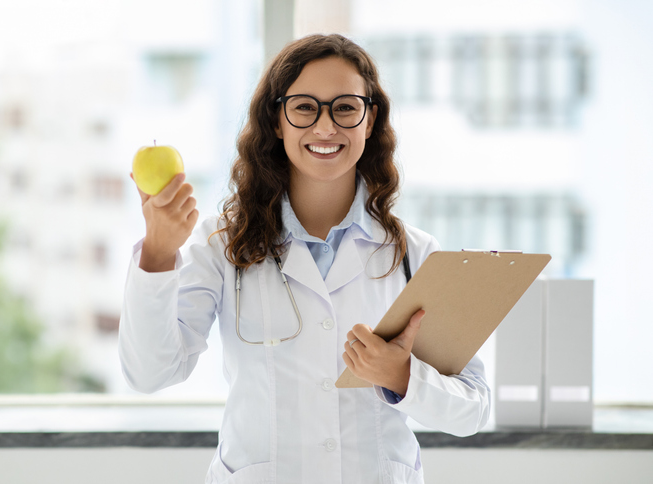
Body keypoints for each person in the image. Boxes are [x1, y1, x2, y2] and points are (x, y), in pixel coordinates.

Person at [119, 33, 490, 484]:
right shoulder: (221, 246)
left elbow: (472, 408)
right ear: (278, 121)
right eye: (304, 107)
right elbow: (151, 373)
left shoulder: (415, 254)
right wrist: (158, 253)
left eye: (346, 107)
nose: (326, 127)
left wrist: (402, 375)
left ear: (370, 120)